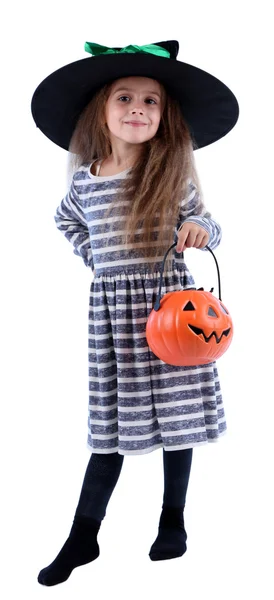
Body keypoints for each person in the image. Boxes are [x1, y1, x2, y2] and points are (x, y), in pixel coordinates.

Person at [31, 40, 239, 586]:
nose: (138, 109)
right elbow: (67, 224)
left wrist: (199, 231)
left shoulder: (171, 174)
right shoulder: (84, 181)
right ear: (101, 110)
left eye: (151, 101)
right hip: (114, 320)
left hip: (173, 310)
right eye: (124, 97)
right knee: (110, 428)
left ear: (163, 115)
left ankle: (174, 522)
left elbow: (211, 225)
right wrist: (93, 257)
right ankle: (84, 536)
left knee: (178, 419)